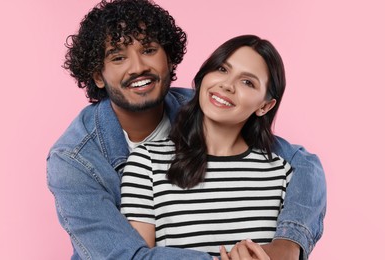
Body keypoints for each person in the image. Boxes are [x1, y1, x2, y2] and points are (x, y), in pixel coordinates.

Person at [46, 0, 326, 259]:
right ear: (98, 75)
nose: (138, 67)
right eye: (118, 58)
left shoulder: (207, 107)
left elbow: (303, 164)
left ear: (169, 59)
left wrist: (289, 245)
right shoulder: (72, 159)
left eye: (149, 50)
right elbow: (125, 257)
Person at [120, 34, 293, 258]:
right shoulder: (147, 163)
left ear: (265, 106)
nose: (227, 85)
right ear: (204, 75)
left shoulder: (281, 175)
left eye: (247, 82)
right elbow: (136, 257)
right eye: (222, 69)